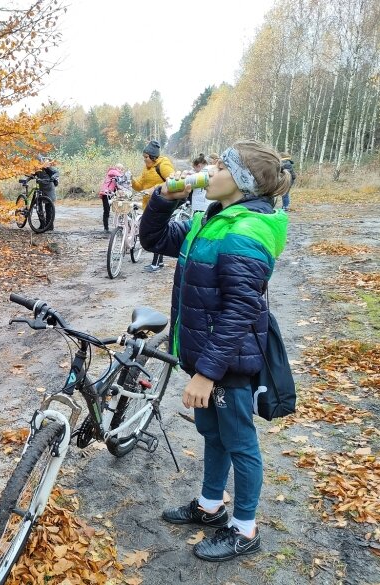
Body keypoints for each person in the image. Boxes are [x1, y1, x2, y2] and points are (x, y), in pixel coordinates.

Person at [139, 140, 290, 562]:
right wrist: (162, 200)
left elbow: (240, 310)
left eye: (223, 165)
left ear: (241, 182)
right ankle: (209, 506)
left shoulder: (246, 231)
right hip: (210, 359)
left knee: (239, 441)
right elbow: (152, 239)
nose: (211, 169)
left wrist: (207, 373)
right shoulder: (214, 220)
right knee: (213, 434)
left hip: (229, 363)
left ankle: (244, 529)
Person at [131, 140, 175, 272]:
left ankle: (156, 263)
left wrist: (154, 189)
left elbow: (172, 181)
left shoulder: (163, 165)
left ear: (153, 156)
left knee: (157, 233)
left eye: (146, 157)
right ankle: (159, 263)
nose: (144, 160)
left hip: (160, 205)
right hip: (148, 206)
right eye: (144, 157)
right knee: (154, 233)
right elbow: (140, 185)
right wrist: (131, 180)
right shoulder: (147, 168)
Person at [98, 165, 132, 232]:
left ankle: (120, 226)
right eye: (119, 168)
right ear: (116, 168)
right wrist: (124, 175)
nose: (120, 170)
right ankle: (106, 228)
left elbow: (119, 185)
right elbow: (116, 174)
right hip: (106, 194)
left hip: (112, 194)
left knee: (119, 208)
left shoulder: (117, 177)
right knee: (106, 211)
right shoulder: (112, 171)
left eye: (122, 169)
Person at [34, 154, 60, 231]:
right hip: (41, 188)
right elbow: (31, 174)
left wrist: (53, 177)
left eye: (39, 161)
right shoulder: (36, 168)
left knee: (49, 207)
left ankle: (49, 226)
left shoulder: (46, 166)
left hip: (49, 188)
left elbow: (56, 172)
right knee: (39, 206)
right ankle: (42, 225)